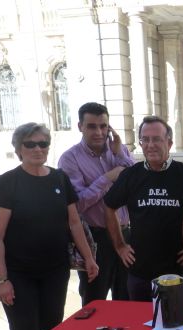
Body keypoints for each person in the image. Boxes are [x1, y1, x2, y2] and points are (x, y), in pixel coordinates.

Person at [0, 123, 98, 330]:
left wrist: (89, 257)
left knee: (51, 328)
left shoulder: (59, 179)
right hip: (19, 274)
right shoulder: (7, 183)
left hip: (55, 272)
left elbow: (74, 222)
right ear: (19, 149)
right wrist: (1, 280)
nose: (38, 149)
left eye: (43, 143)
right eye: (30, 144)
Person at [103, 116, 183, 301]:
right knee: (138, 324)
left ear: (169, 143)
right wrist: (120, 245)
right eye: (145, 139)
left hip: (174, 270)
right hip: (139, 270)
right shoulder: (131, 175)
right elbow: (109, 206)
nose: (150, 145)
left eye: (157, 139)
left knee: (172, 324)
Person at [58, 102, 134, 305]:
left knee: (127, 298)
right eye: (92, 126)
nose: (99, 132)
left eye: (103, 126)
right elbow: (79, 204)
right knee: (94, 300)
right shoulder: (69, 159)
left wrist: (120, 155)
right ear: (80, 126)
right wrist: (107, 177)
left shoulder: (119, 150)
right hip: (94, 238)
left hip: (126, 234)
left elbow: (136, 183)